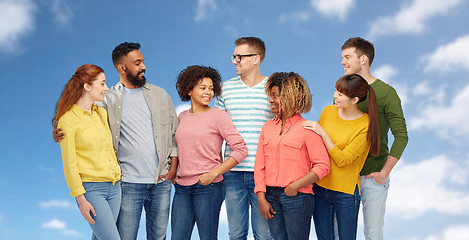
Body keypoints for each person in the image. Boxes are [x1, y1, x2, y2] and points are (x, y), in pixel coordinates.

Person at [53, 42, 178, 240]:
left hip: (135, 184)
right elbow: (70, 157)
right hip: (111, 185)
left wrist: (173, 166)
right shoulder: (93, 107)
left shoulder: (104, 112)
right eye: (137, 63)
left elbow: (172, 132)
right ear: (121, 68)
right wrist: (59, 132)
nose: (143, 66)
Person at [340, 37, 408, 240]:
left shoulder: (386, 93)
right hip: (344, 178)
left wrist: (384, 172)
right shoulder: (342, 91)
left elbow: (401, 136)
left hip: (373, 177)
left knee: (373, 235)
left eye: (347, 57)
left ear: (363, 59)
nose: (342, 62)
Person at [171, 65, 248, 240]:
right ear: (189, 90)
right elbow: (178, 148)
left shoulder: (219, 116)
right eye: (203, 88)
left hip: (208, 186)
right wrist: (175, 172)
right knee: (178, 236)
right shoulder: (182, 116)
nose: (209, 92)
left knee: (207, 237)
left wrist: (213, 174)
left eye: (212, 88)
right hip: (182, 188)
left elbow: (240, 149)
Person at [302, 74, 380, 240]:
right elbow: (316, 147)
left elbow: (343, 159)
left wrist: (322, 133)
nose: (335, 96)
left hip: (345, 193)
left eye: (341, 94)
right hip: (319, 186)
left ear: (354, 100)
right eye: (336, 91)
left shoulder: (365, 126)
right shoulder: (328, 111)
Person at [254, 72, 330, 240]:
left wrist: (295, 186)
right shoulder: (267, 128)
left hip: (298, 197)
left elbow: (323, 166)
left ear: (290, 96)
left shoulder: (307, 129)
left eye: (275, 96)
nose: (271, 100)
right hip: (270, 197)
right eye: (270, 96)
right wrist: (261, 196)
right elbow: (259, 164)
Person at [52, 64, 121, 240]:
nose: (106, 88)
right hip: (92, 190)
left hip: (115, 187)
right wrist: (80, 199)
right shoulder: (68, 120)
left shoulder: (102, 113)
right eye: (102, 83)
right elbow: (69, 163)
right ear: (87, 86)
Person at [215, 36, 274, 240]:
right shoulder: (225, 89)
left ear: (256, 58)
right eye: (234, 56)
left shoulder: (272, 89)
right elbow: (217, 132)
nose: (234, 61)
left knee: (264, 235)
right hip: (232, 174)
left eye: (239, 57)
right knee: (236, 234)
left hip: (264, 173)